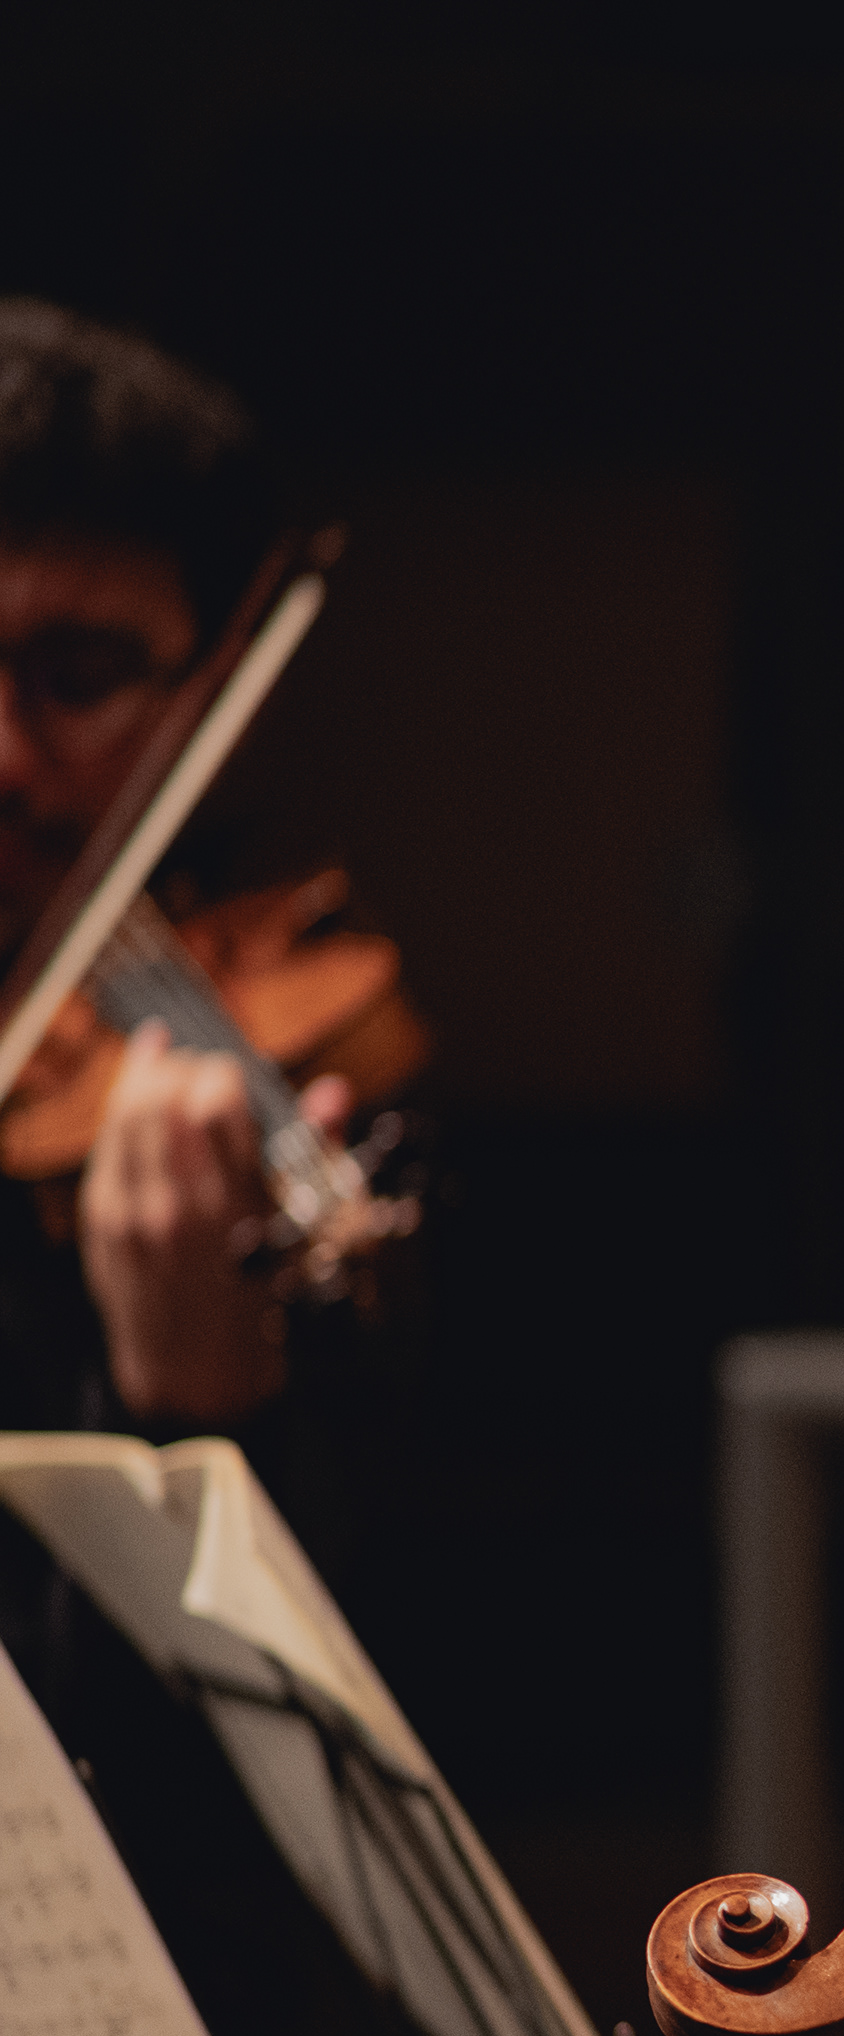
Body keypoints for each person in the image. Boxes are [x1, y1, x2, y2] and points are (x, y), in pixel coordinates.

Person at [0, 300, 359, 1442]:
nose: (5, 757)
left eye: (79, 676)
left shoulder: (288, 1067)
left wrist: (192, 1417)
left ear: (211, 702)